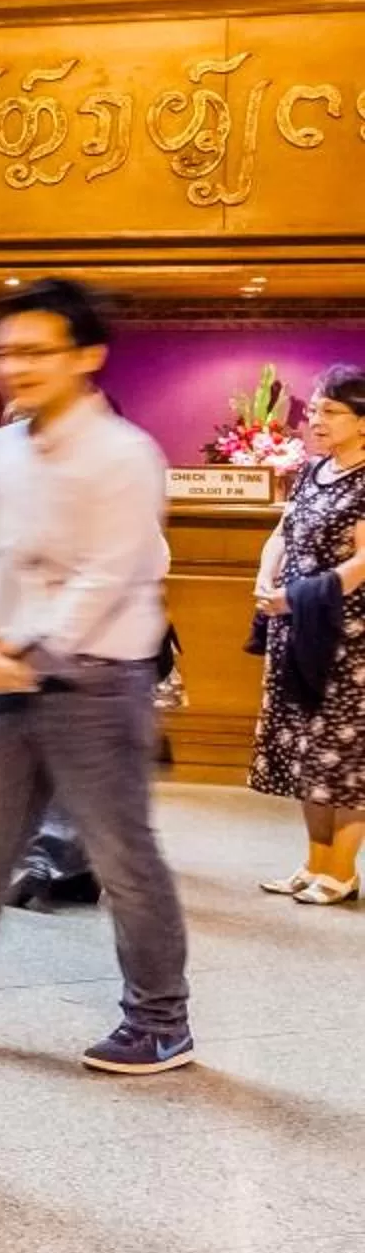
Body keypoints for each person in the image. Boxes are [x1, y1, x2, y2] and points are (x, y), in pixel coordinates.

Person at [0, 279, 192, 1073]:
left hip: (95, 683)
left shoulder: (125, 456)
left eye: (35, 352)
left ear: (86, 357)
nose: (14, 367)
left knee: (122, 855)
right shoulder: (1, 449)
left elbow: (109, 575)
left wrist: (21, 652)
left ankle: (160, 1020)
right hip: (3, 677)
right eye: (5, 352)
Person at [248, 362, 365, 903]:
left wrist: (296, 595)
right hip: (294, 623)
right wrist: (265, 577)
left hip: (349, 633)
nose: (315, 419)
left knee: (342, 754)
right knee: (304, 745)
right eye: (315, 408)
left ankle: (342, 871)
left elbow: (364, 562)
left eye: (330, 411)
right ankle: (314, 862)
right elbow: (282, 531)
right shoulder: (313, 471)